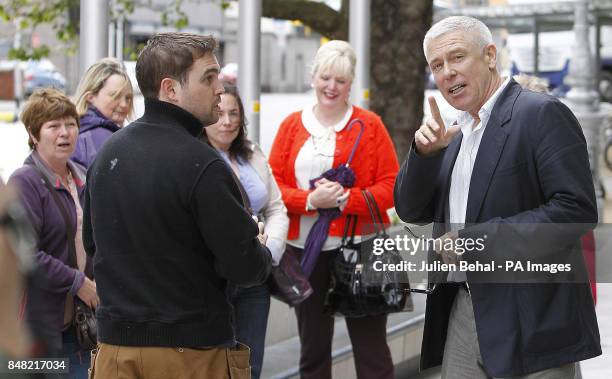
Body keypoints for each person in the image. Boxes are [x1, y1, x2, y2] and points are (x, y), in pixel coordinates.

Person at [394, 16, 600, 378]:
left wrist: (477, 243)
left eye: (457, 57)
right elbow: (411, 210)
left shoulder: (540, 113)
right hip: (461, 310)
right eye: (437, 65)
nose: (447, 73)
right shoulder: (452, 134)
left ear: (490, 55)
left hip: (533, 318)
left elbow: (574, 211)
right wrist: (424, 155)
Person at [83, 33, 272, 379]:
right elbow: (246, 269)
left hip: (114, 353)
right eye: (209, 78)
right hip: (191, 355)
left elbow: (93, 250)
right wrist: (256, 246)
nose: (220, 88)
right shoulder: (203, 165)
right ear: (170, 89)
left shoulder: (107, 155)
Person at [268, 40, 399, 379]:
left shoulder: (370, 126)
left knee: (372, 351)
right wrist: (310, 201)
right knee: (312, 351)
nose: (331, 87)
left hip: (362, 248)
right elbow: (273, 188)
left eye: (340, 80)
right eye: (326, 77)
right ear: (313, 77)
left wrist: (345, 199)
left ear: (350, 83)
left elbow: (391, 186)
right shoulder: (290, 127)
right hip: (305, 253)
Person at [8, 88, 98, 378]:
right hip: (40, 330)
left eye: (70, 124)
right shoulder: (26, 181)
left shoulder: (81, 175)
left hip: (81, 327)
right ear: (34, 135)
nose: (65, 133)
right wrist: (77, 281)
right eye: (54, 126)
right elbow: (24, 252)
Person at [201, 86, 289, 379]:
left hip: (255, 278)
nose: (227, 121)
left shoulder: (252, 153)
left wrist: (269, 251)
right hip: (215, 280)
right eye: (220, 113)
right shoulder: (196, 157)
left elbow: (276, 207)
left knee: (251, 367)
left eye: (234, 113)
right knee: (215, 366)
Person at [71, 57, 134, 168]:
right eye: (115, 96)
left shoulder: (74, 130)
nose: (124, 104)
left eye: (128, 98)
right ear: (90, 97)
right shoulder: (105, 139)